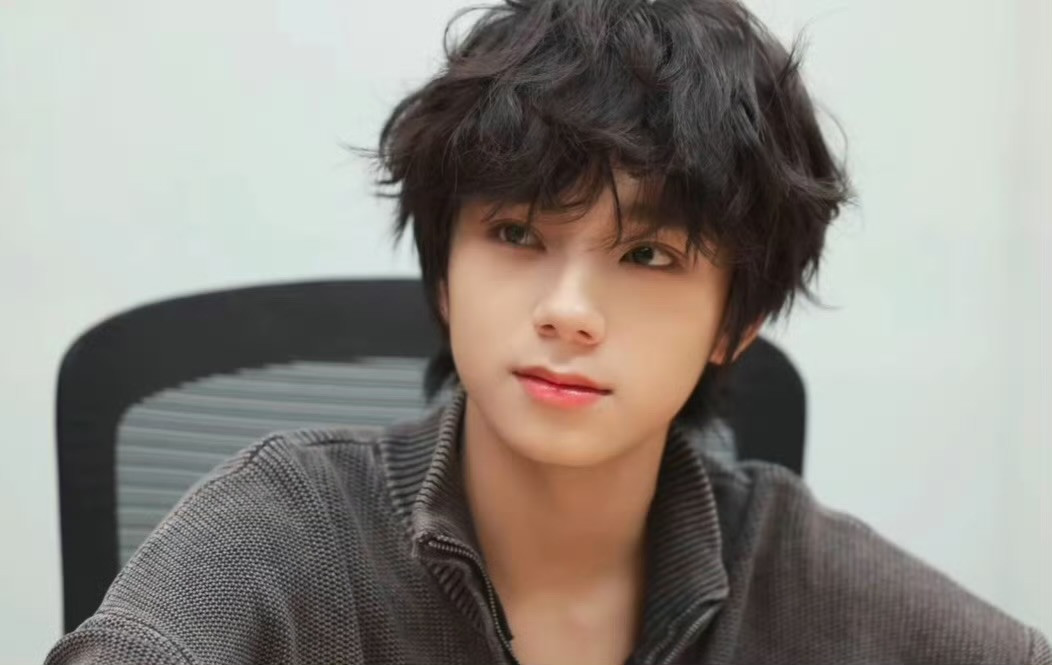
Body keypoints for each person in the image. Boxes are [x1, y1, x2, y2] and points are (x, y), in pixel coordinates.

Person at [46, 1, 1051, 664]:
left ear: (735, 322)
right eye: (517, 234)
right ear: (446, 275)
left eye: (647, 254)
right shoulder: (283, 531)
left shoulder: (807, 580)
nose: (567, 307)